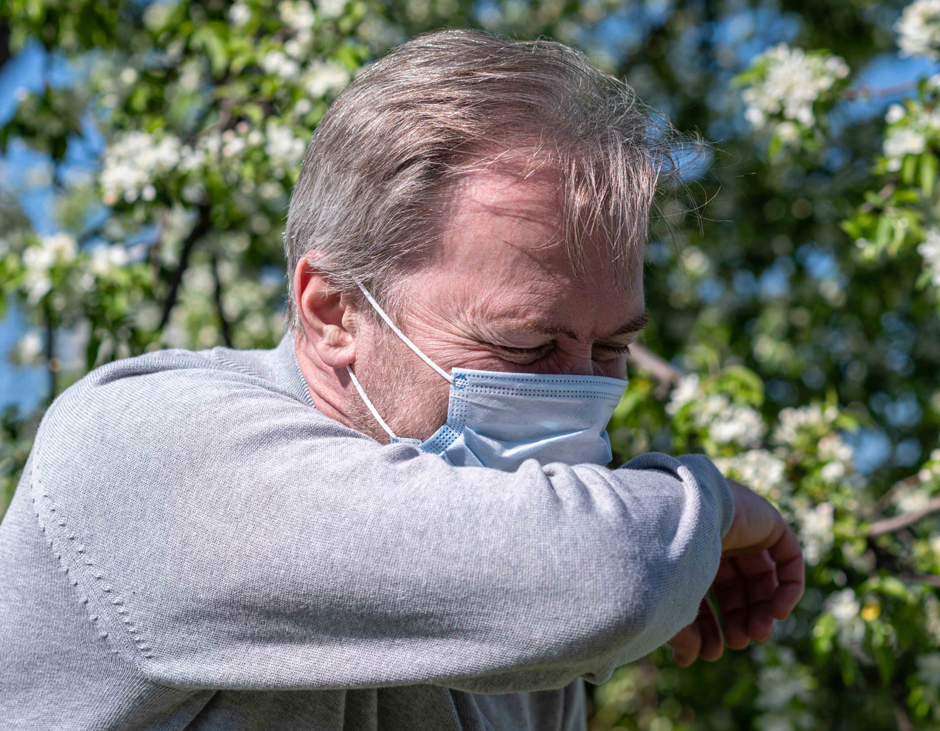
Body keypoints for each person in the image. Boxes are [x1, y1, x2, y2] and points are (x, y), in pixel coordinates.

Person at [0, 29, 804, 730]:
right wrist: (706, 510)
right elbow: (606, 577)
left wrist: (669, 549)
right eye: (526, 347)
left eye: (611, 351)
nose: (581, 392)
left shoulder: (528, 649)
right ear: (334, 310)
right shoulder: (138, 444)